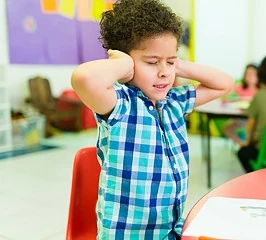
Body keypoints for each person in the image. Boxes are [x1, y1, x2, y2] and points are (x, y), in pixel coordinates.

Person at [71, 0, 234, 239]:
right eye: (151, 62)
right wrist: (123, 63)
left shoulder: (174, 102)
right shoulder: (120, 103)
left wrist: (177, 64)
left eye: (170, 62)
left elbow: (224, 83)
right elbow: (84, 78)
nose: (164, 72)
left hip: (169, 231)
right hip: (127, 235)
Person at [223, 64, 258, 145]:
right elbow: (226, 99)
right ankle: (242, 145)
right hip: (239, 118)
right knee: (227, 128)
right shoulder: (240, 87)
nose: (250, 77)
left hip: (253, 119)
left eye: (253, 74)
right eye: (248, 74)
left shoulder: (259, 90)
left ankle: (246, 144)